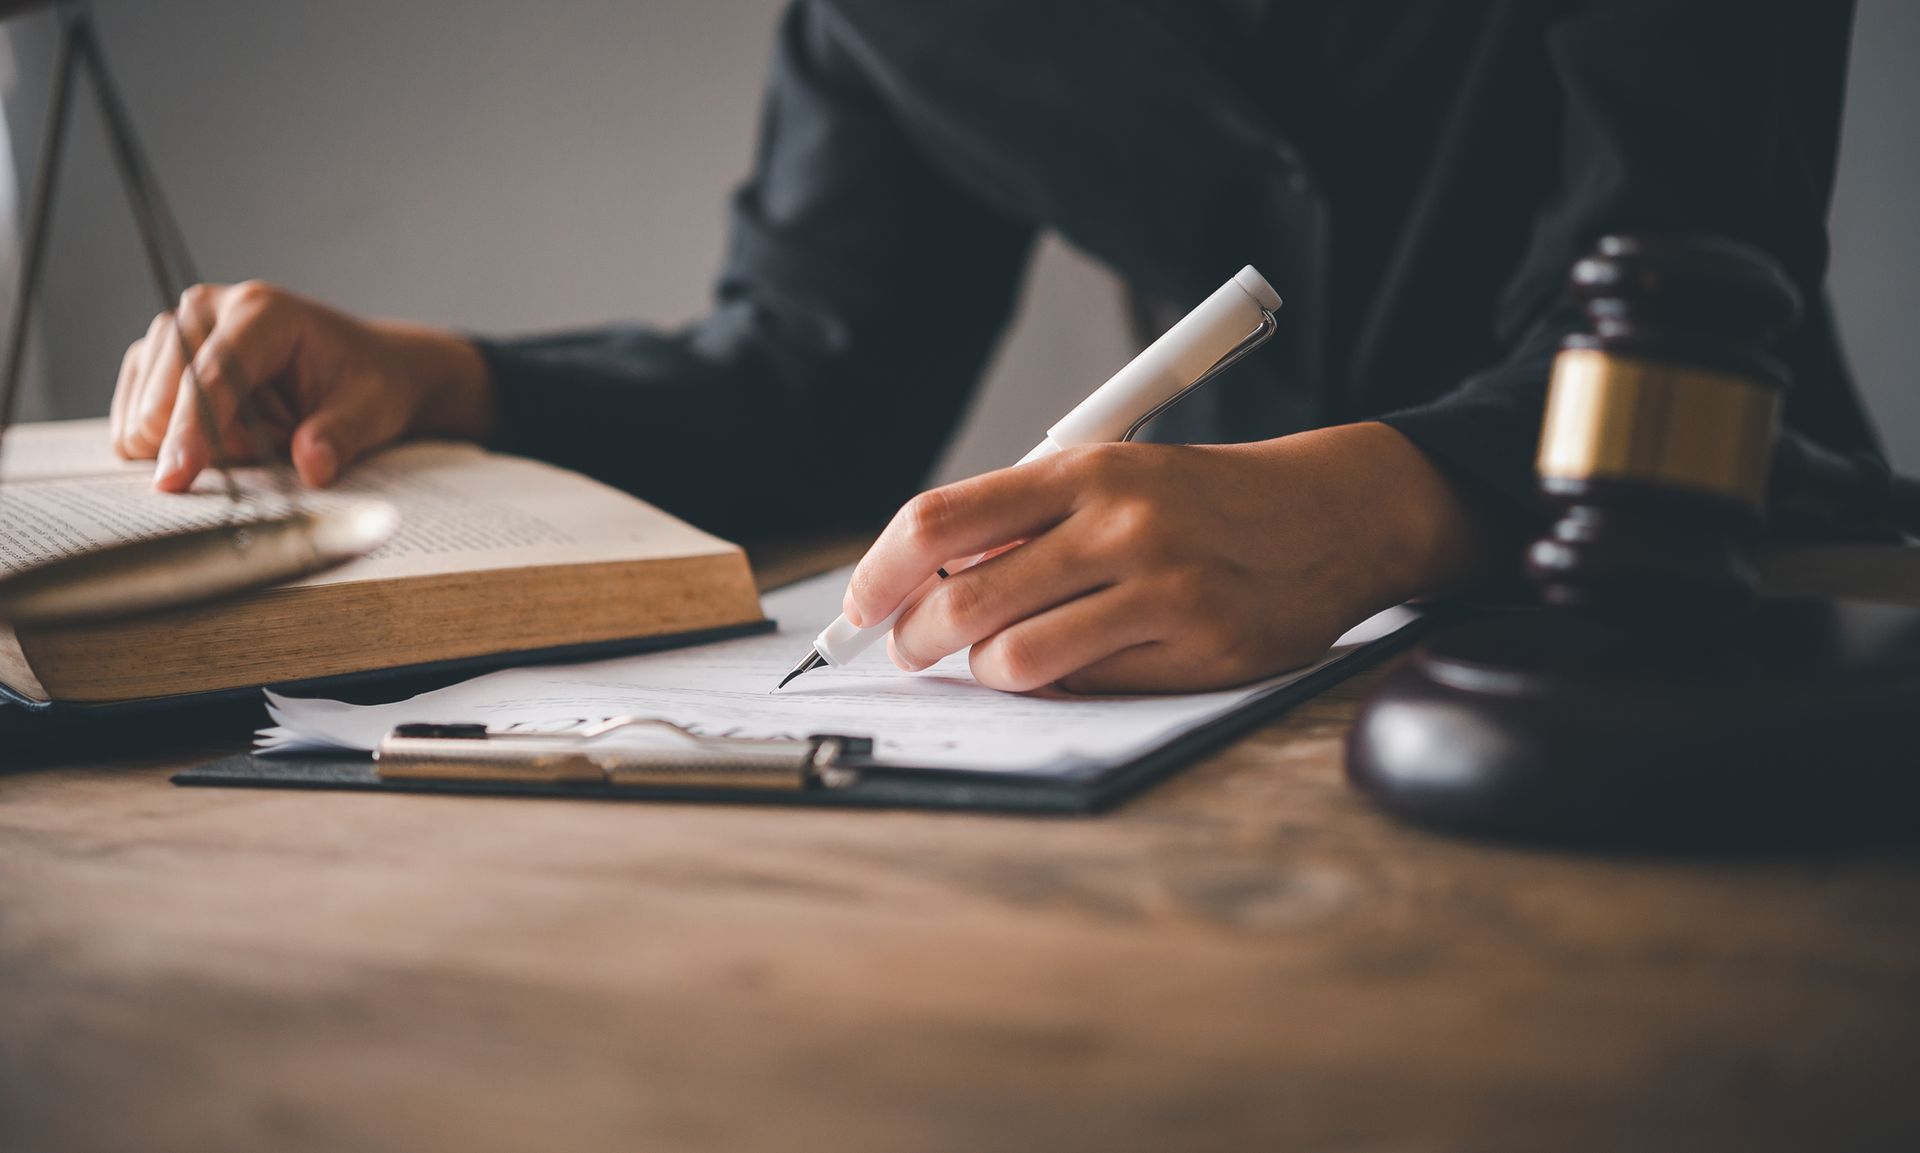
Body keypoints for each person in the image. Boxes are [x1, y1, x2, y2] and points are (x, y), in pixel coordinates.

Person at [106, 0, 1876, 694]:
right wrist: (449, 376)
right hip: (1216, 683)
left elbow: (1700, 279)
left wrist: (1382, 506)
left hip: (1736, 603)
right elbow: (819, 373)